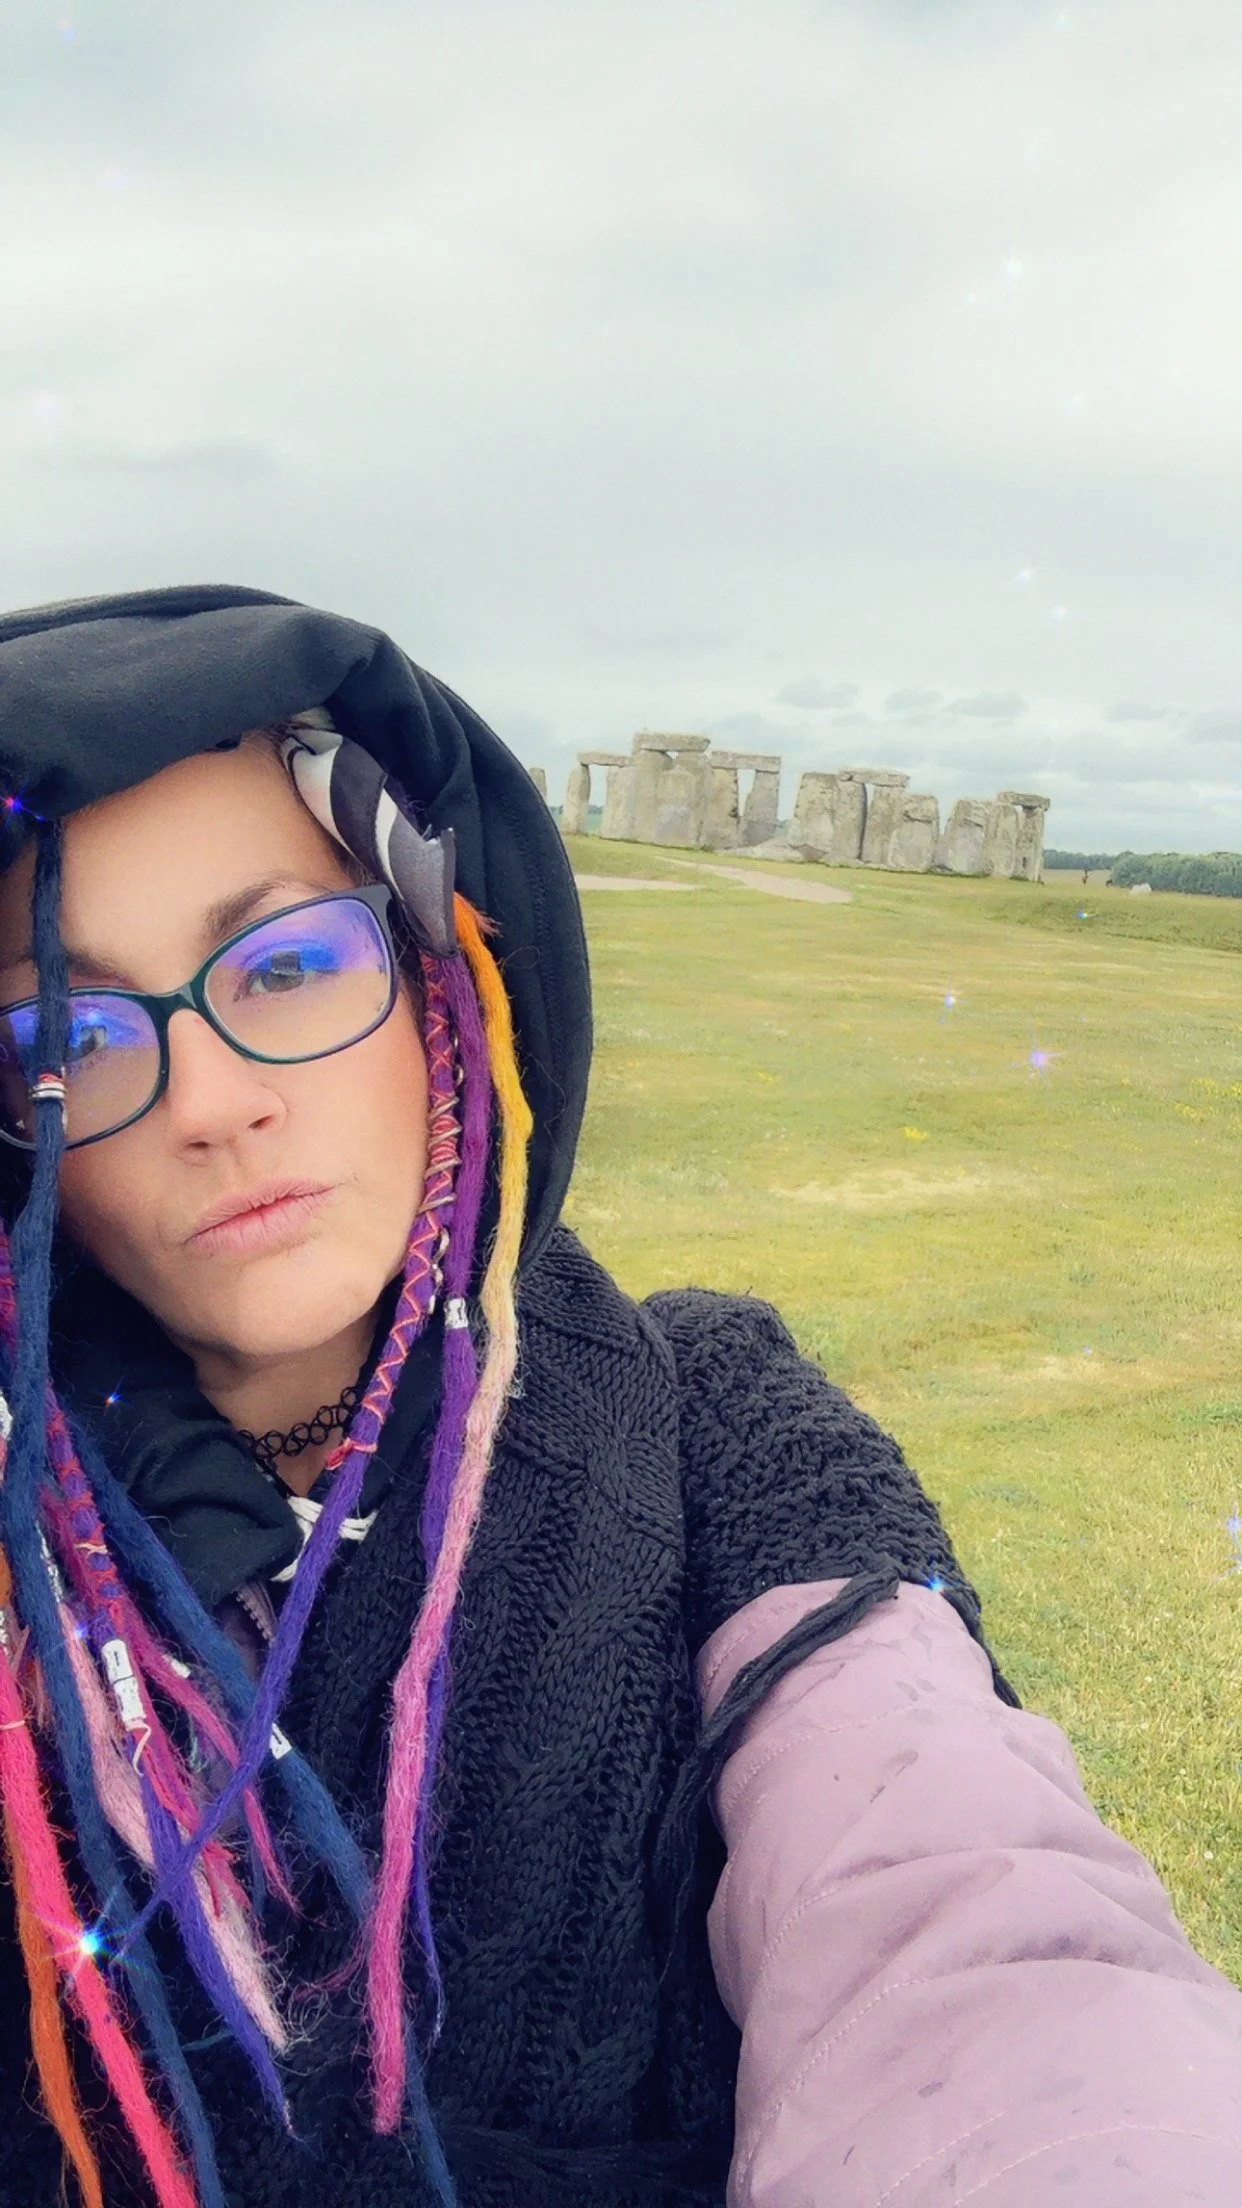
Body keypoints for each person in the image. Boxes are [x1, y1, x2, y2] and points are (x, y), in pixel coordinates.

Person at [0, 586, 1238, 2208]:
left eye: (290, 961)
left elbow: (955, 1897)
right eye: (71, 1033)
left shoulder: (718, 1422)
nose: (214, 1106)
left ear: (446, 985)